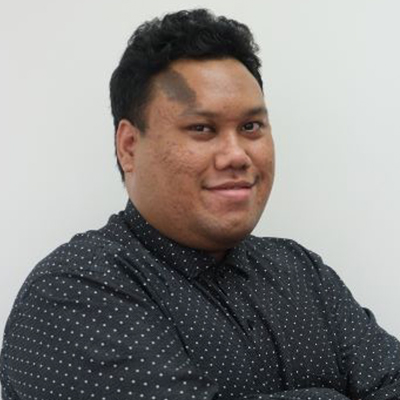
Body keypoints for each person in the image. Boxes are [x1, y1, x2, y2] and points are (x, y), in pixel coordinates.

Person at [1, 8, 399, 400]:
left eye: (250, 127)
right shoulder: (72, 290)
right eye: (202, 129)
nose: (236, 155)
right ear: (129, 147)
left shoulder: (302, 273)